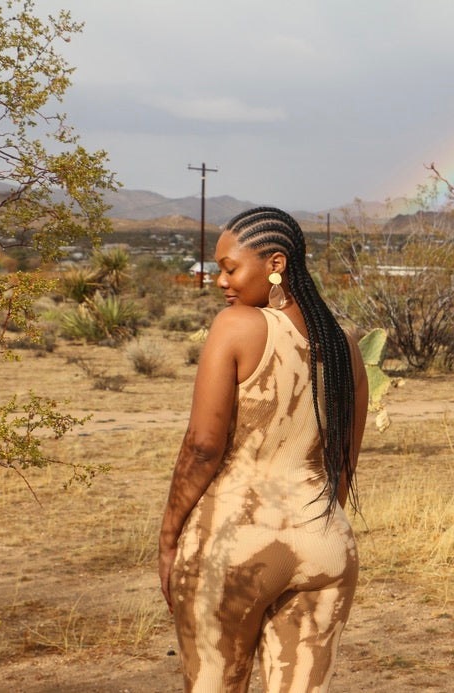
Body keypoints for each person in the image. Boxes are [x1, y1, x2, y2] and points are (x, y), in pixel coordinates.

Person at [158, 206, 368, 692]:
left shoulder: (237, 325)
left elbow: (203, 448)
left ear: (275, 263)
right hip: (325, 545)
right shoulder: (344, 345)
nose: (219, 280)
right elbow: (343, 462)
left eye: (230, 268)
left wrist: (170, 536)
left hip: (233, 543)